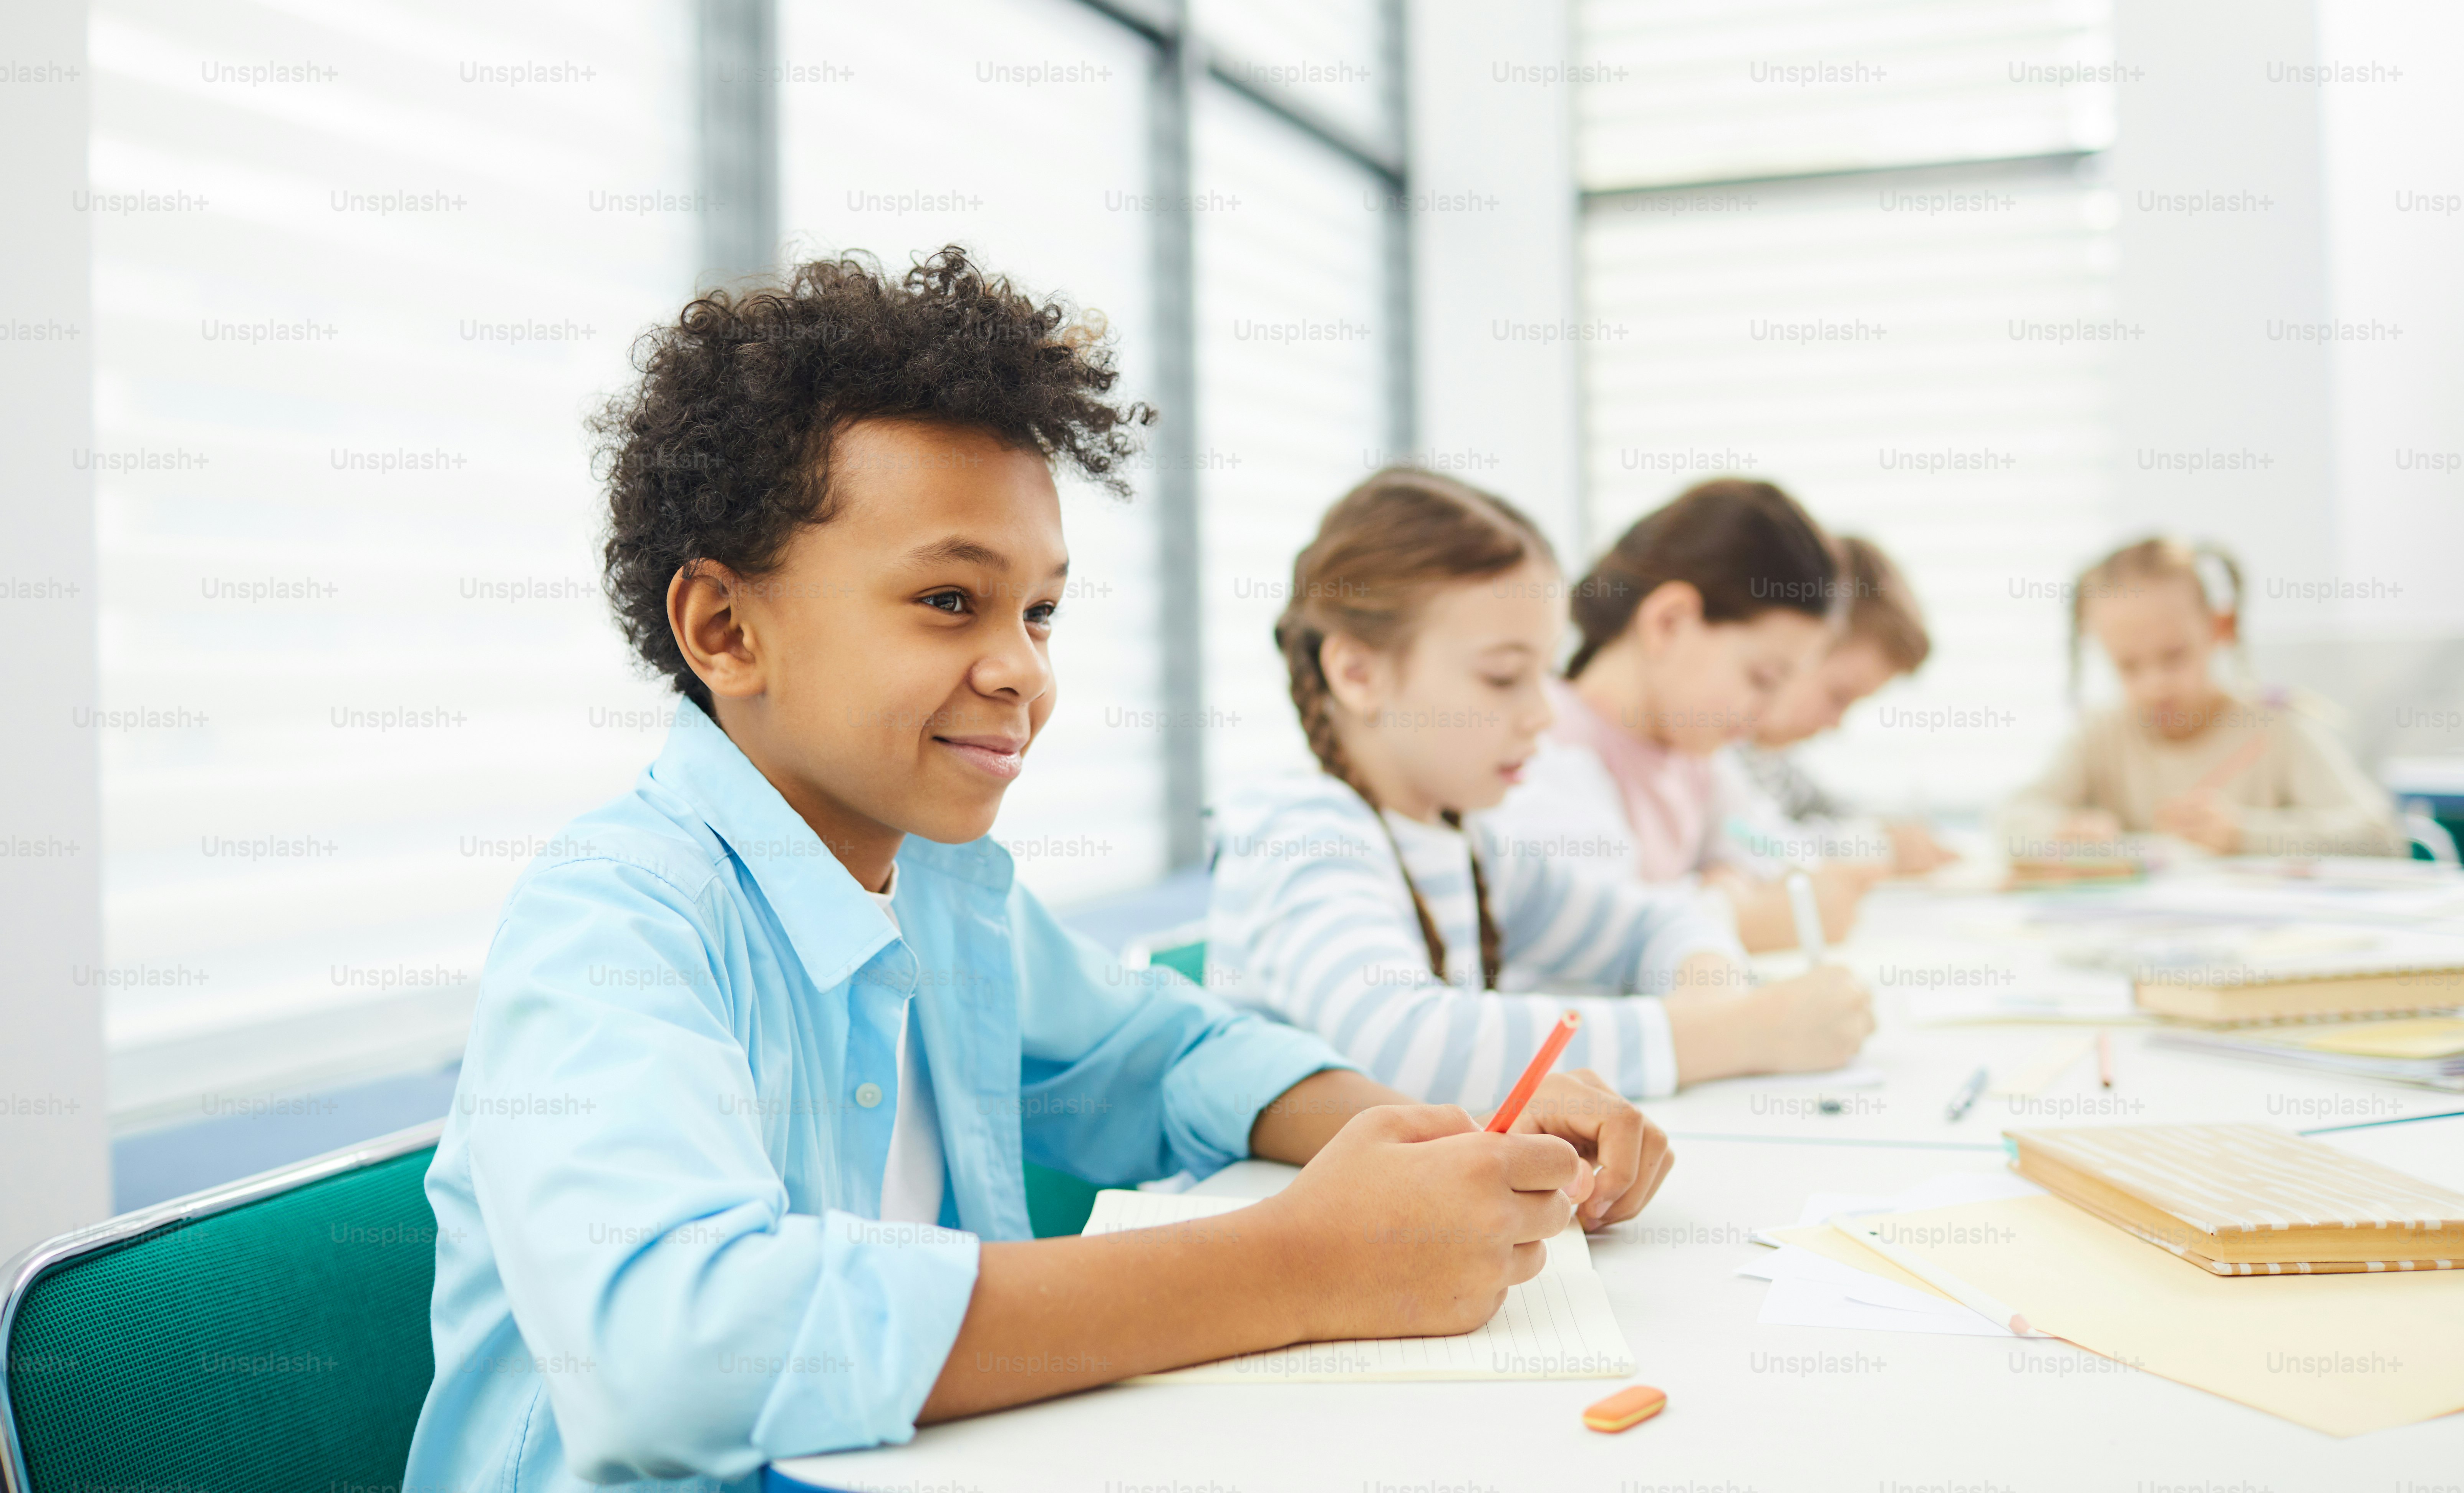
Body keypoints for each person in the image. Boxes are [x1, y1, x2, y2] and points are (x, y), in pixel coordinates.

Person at [401, 250, 1675, 1491]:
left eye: (1042, 611)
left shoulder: (949, 887)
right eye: (951, 601)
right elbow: (676, 1354)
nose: (1024, 670)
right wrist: (1302, 1264)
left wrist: (1433, 1143)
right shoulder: (614, 918)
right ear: (726, 630)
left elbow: (1163, 1055)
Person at [1206, 468, 1875, 1106]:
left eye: (1543, 675)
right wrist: (1736, 1033)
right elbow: (1410, 1049)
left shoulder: (1472, 847)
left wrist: (1714, 992)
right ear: (1358, 672)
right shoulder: (1302, 833)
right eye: (1503, 677)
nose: (1546, 714)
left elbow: (1662, 923)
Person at [1490, 479, 1880, 949]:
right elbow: (1609, 931)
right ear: (1669, 623)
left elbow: (1768, 847)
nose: (1769, 714)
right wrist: (1743, 919)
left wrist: (1728, 883)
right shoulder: (1545, 748)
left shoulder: (1699, 760)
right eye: (1763, 678)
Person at [2000, 536, 2404, 858]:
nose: (2155, 684)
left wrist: (2246, 835)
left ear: (2219, 628)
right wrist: (2062, 833)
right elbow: (2011, 820)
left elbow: (2381, 835)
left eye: (2174, 656)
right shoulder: (2100, 735)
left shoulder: (2276, 728)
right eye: (2129, 667)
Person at [1722, 534, 1955, 877]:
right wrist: (1876, 846)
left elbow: (1828, 808)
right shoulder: (1715, 752)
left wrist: (1890, 828)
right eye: (1838, 696)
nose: (1836, 724)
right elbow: (1760, 847)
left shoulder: (1770, 761)